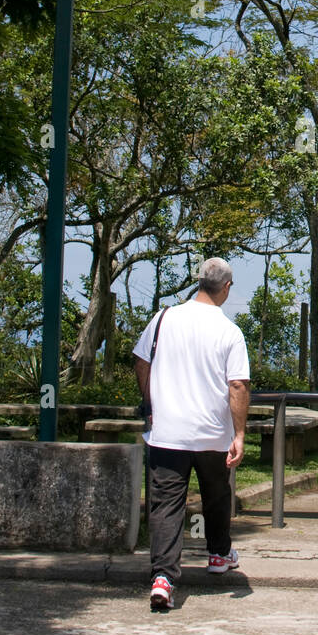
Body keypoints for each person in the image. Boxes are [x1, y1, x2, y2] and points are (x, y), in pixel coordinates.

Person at [133, 257, 250, 612]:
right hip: (212, 434)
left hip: (168, 432)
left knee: (166, 504)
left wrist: (150, 402)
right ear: (226, 288)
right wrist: (240, 433)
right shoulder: (229, 331)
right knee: (216, 495)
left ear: (198, 282)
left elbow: (141, 361)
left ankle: (164, 578)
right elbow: (238, 385)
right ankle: (218, 554)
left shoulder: (163, 319)